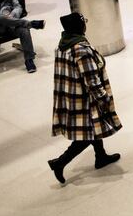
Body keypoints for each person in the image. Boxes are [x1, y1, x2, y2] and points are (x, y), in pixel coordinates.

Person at [48, 12, 122, 185]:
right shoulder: (80, 49)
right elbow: (91, 79)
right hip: (85, 98)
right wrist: (103, 98)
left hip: (71, 94)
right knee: (87, 135)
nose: (85, 24)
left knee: (94, 127)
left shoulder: (63, 43)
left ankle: (100, 156)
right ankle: (59, 162)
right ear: (79, 26)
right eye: (84, 22)